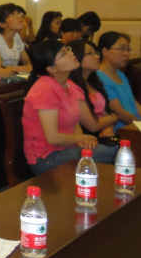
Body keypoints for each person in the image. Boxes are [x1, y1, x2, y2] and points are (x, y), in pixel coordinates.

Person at [22, 40, 117, 175]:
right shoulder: (45, 89)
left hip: (67, 149)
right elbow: (53, 138)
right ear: (52, 69)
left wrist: (82, 140)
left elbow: (75, 122)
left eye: (68, 50)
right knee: (116, 152)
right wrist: (81, 138)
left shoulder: (69, 84)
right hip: (46, 157)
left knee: (116, 148)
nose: (71, 53)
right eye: (64, 53)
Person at [68, 39, 118, 138]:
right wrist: (115, 117)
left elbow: (108, 112)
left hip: (102, 136)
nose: (97, 57)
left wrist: (108, 128)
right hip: (85, 139)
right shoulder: (70, 86)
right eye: (90, 53)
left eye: (96, 52)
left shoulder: (93, 82)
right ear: (76, 57)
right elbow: (92, 126)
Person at [97, 32, 141, 133]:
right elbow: (118, 112)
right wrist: (139, 124)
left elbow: (134, 103)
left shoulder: (120, 73)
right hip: (122, 131)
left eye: (128, 49)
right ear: (105, 51)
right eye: (121, 49)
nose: (126, 53)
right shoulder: (99, 77)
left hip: (135, 126)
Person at [0, 3, 32, 72]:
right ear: (2, 24)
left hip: (13, 77)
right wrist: (20, 69)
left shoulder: (16, 37)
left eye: (18, 13)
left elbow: (28, 62)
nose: (19, 16)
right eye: (12, 15)